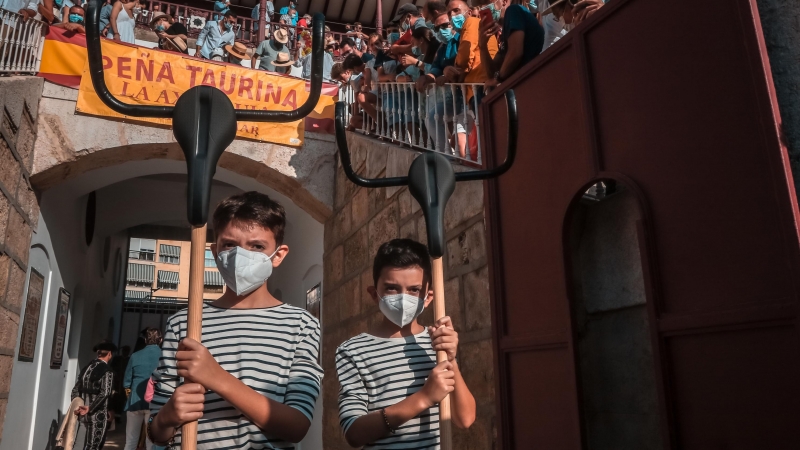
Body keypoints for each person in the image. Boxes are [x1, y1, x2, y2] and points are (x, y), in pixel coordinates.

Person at [147, 192, 323, 450]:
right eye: (230, 245)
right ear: (215, 252)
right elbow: (156, 431)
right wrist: (166, 417)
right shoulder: (183, 323)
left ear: (278, 255)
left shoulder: (301, 325)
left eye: (257, 246)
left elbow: (297, 426)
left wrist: (216, 377)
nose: (242, 255)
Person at [336, 239, 476, 449]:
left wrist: (450, 360)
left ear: (428, 297)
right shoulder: (353, 351)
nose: (403, 298)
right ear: (375, 294)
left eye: (413, 290)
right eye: (392, 288)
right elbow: (354, 434)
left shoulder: (437, 343)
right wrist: (424, 398)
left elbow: (464, 419)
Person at [480, 0, 545, 90]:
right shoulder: (506, 29)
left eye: (488, 2)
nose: (484, 6)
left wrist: (498, 79)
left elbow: (515, 53)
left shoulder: (513, 10)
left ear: (504, 1)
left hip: (527, 86)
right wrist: (482, 46)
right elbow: (492, 72)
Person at [71, 342, 117, 450]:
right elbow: (105, 392)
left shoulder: (87, 368)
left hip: (83, 411)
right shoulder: (107, 371)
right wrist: (90, 408)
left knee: (79, 444)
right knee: (93, 446)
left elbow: (75, 390)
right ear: (109, 354)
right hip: (97, 413)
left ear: (98, 353)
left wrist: (77, 406)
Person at [123, 329, 162, 450]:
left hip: (134, 402)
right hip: (154, 402)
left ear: (145, 340)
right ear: (161, 340)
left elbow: (126, 382)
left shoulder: (135, 356)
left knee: (130, 440)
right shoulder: (164, 356)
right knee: (151, 442)